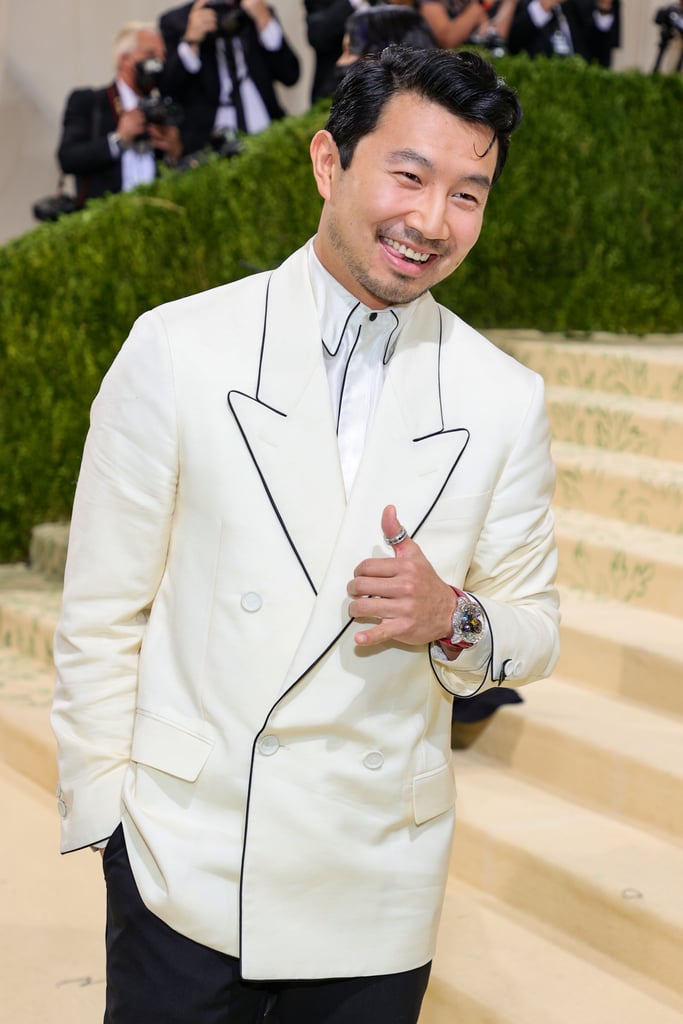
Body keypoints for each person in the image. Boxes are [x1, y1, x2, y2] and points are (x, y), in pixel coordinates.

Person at [51, 46, 560, 1024]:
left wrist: (451, 615)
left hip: (376, 888)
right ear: (329, 163)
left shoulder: (501, 397)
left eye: (467, 193)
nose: (429, 220)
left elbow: (532, 622)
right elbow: (100, 612)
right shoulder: (178, 348)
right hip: (183, 875)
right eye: (407, 176)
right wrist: (113, 825)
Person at [57, 22, 183, 208]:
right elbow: (68, 158)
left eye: (162, 57)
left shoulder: (167, 109)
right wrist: (118, 140)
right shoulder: (90, 102)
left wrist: (174, 152)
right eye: (150, 55)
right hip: (105, 224)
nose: (159, 64)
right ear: (125, 59)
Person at [158, 0, 300, 155]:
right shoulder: (177, 21)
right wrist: (191, 41)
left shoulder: (252, 9)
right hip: (208, 143)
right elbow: (169, 91)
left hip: (267, 131)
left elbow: (290, 75)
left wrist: (265, 22)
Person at [508, 0, 620, 66]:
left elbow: (597, 51)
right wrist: (543, 8)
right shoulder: (524, 5)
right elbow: (511, 42)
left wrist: (604, 8)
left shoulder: (574, 8)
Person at [419, 0, 520, 51]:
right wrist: (483, 3)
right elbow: (448, 40)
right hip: (447, 73)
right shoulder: (430, 2)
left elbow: (495, 37)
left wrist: (510, 3)